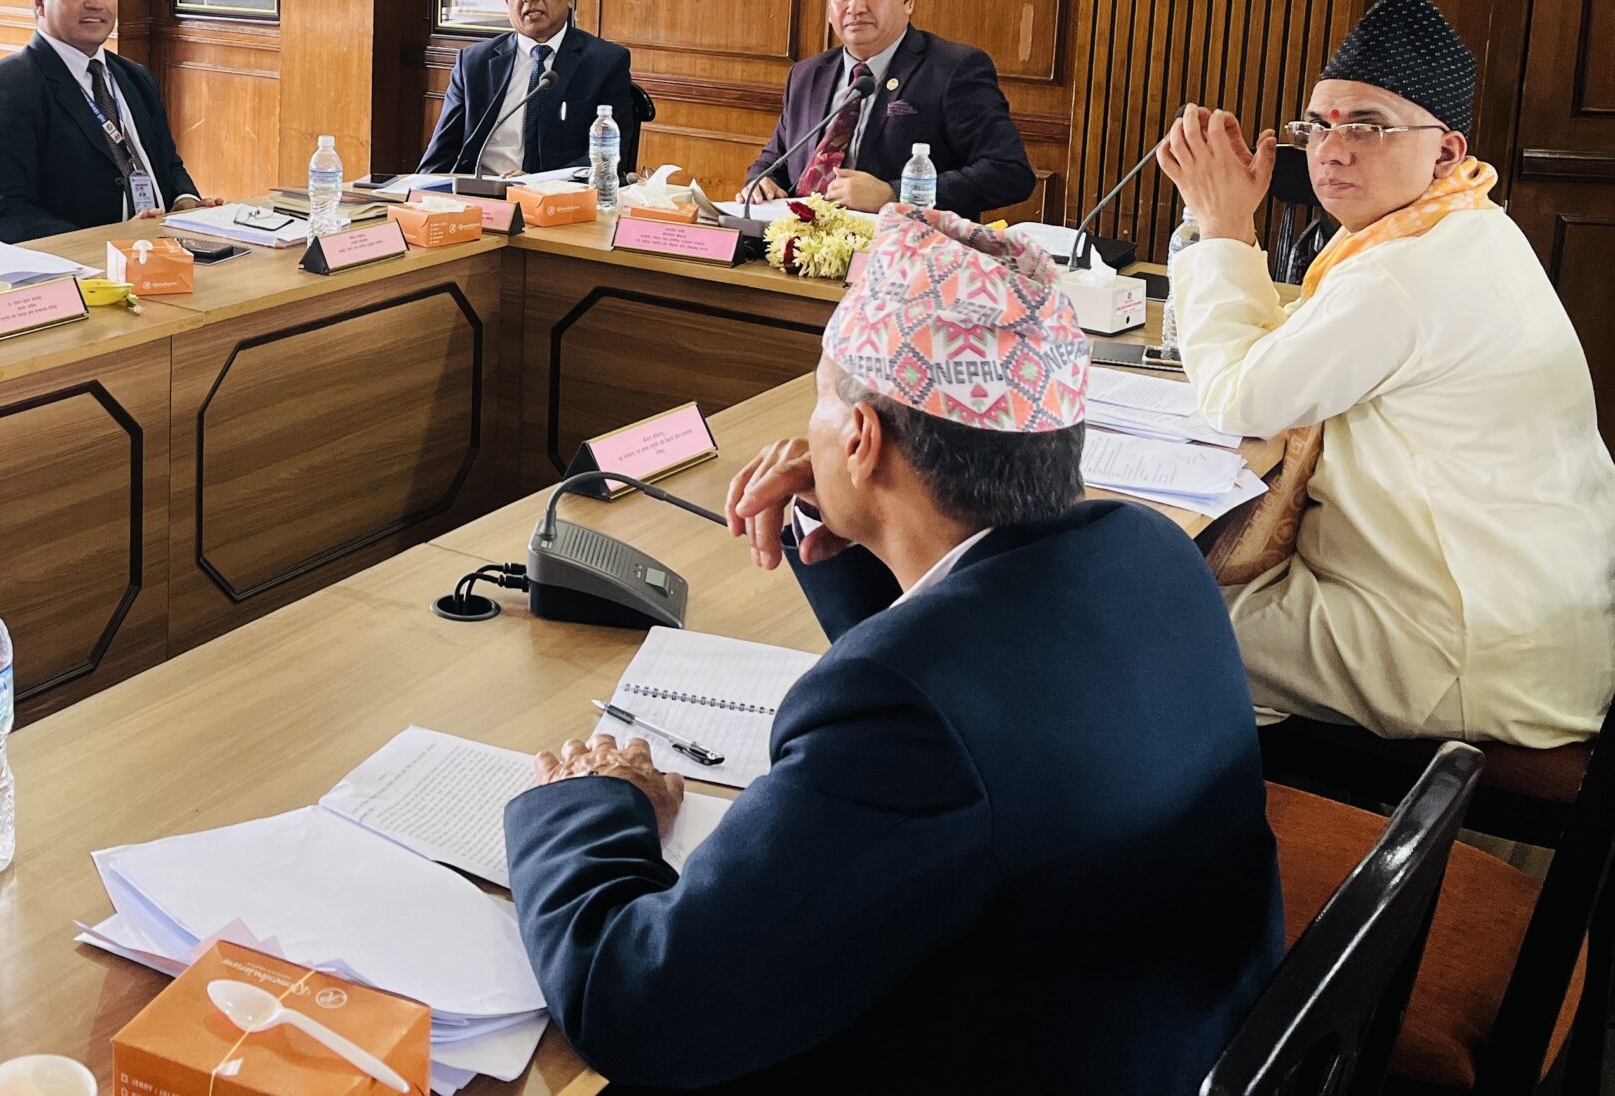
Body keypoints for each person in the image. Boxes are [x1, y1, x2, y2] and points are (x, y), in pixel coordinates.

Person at [507, 207, 1280, 1094]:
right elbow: (977, 681)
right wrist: (857, 517)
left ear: (862, 439)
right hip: (1184, 1038)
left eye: (822, 400)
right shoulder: (1151, 551)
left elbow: (640, 1006)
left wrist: (591, 803)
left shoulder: (906, 714)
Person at [1157, 0, 1615, 747]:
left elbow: (1239, 397)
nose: (1332, 149)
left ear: (1446, 151)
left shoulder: (1408, 270)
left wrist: (1224, 225)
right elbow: (1289, 354)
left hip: (1458, 647)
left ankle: (1214, 803)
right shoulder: (1462, 223)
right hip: (1524, 617)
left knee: (1138, 614)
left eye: (1368, 127)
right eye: (1318, 126)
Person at [744, 0, 1032, 219]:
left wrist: (894, 194)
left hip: (903, 244)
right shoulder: (807, 75)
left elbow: (1008, 172)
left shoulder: (953, 70)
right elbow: (775, 160)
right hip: (799, 239)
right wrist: (761, 182)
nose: (855, 7)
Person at [0, 0, 209, 243]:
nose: (95, 3)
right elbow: (2, 213)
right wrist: (109, 243)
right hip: (78, 264)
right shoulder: (2, 88)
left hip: (158, 250)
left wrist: (186, 201)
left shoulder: (136, 77)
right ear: (39, 1)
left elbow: (169, 165)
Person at [418, 0, 641, 179]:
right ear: (507, 2)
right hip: (479, 193)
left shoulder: (605, 62)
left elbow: (607, 159)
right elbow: (438, 160)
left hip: (557, 196)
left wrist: (536, 183)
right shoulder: (474, 63)